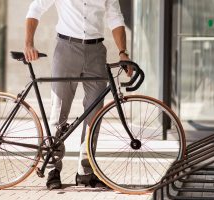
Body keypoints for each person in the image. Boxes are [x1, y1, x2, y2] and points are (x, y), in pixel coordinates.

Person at [24, 0, 132, 190]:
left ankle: (86, 173)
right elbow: (36, 8)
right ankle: (52, 169)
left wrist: (123, 53)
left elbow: (116, 18)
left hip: (96, 52)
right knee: (58, 113)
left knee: (94, 116)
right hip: (66, 48)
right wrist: (28, 43)